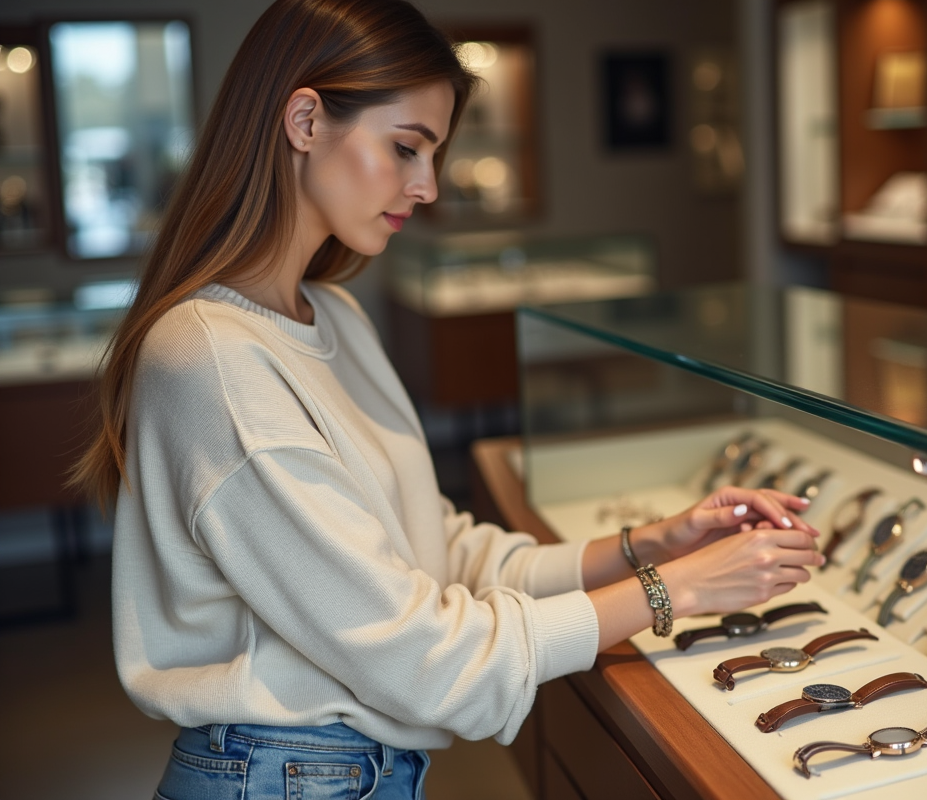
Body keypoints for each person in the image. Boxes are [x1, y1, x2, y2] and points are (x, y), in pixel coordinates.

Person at [71, 1, 825, 797]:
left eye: (431, 156)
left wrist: (654, 545)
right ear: (303, 120)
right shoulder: (209, 357)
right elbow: (418, 655)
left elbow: (433, 552)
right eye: (405, 148)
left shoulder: (336, 318)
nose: (427, 186)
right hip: (281, 777)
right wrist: (679, 591)